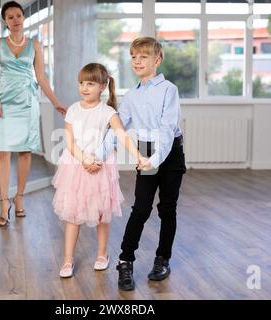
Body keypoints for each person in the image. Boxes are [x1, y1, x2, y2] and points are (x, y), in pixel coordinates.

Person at [95, 37, 186, 291]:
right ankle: (125, 261)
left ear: (157, 60)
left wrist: (154, 160)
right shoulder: (131, 95)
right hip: (146, 151)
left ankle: (162, 259)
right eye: (134, 56)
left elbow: (167, 130)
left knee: (167, 208)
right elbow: (117, 129)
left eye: (143, 56)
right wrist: (99, 155)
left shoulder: (169, 89)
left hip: (170, 152)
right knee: (141, 208)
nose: (137, 60)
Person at [52, 63, 145, 278]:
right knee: (73, 213)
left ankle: (102, 254)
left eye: (90, 84)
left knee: (102, 213)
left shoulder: (108, 111)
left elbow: (121, 135)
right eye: (81, 83)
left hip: (101, 168)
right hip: (76, 166)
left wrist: (138, 155)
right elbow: (70, 141)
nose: (84, 88)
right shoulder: (73, 110)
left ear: (103, 86)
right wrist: (85, 159)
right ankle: (67, 259)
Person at [0, 1, 66, 227]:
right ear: (5, 21)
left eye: (18, 15)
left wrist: (56, 103)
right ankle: (4, 202)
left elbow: (41, 78)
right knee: (4, 152)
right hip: (4, 103)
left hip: (27, 102)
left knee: (25, 152)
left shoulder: (35, 44)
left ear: (23, 18)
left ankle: (19, 196)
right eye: (10, 17)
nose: (15, 20)